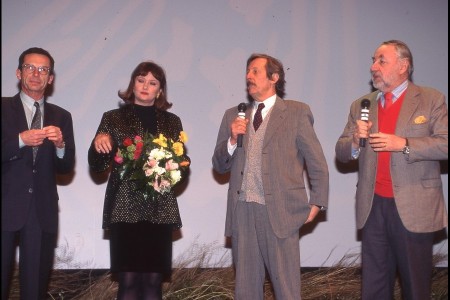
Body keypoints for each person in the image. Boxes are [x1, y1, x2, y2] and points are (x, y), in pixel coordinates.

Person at [335, 40, 448, 299]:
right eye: (373, 61)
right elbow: (341, 153)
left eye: (381, 61)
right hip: (373, 207)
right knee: (373, 289)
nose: (373, 67)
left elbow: (445, 144)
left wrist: (405, 144)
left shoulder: (431, 99)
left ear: (403, 66)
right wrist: (354, 141)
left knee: (415, 288)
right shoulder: (361, 104)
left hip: (413, 206)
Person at [212, 53, 329, 299]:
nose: (248, 76)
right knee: (245, 289)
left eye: (255, 71)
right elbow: (219, 165)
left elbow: (316, 161)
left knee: (286, 288)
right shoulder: (232, 115)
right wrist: (232, 140)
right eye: (248, 71)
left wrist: (317, 201)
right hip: (242, 210)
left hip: (280, 211)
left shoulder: (297, 113)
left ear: (273, 77)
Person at [88, 61, 189, 300]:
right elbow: (98, 165)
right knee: (129, 280)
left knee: (154, 282)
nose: (145, 86)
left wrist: (173, 169)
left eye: (152, 83)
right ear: (132, 84)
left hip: (160, 210)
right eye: (141, 80)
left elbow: (183, 167)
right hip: (124, 210)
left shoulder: (172, 122)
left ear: (160, 90)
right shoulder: (112, 118)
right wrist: (98, 145)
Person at [1, 47, 76, 299]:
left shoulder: (62, 116)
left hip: (41, 210)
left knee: (34, 289)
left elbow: (66, 168)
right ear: (18, 72)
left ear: (50, 78)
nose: (36, 73)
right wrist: (20, 140)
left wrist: (61, 146)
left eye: (43, 69)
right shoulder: (2, 107)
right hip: (5, 204)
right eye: (30, 67)